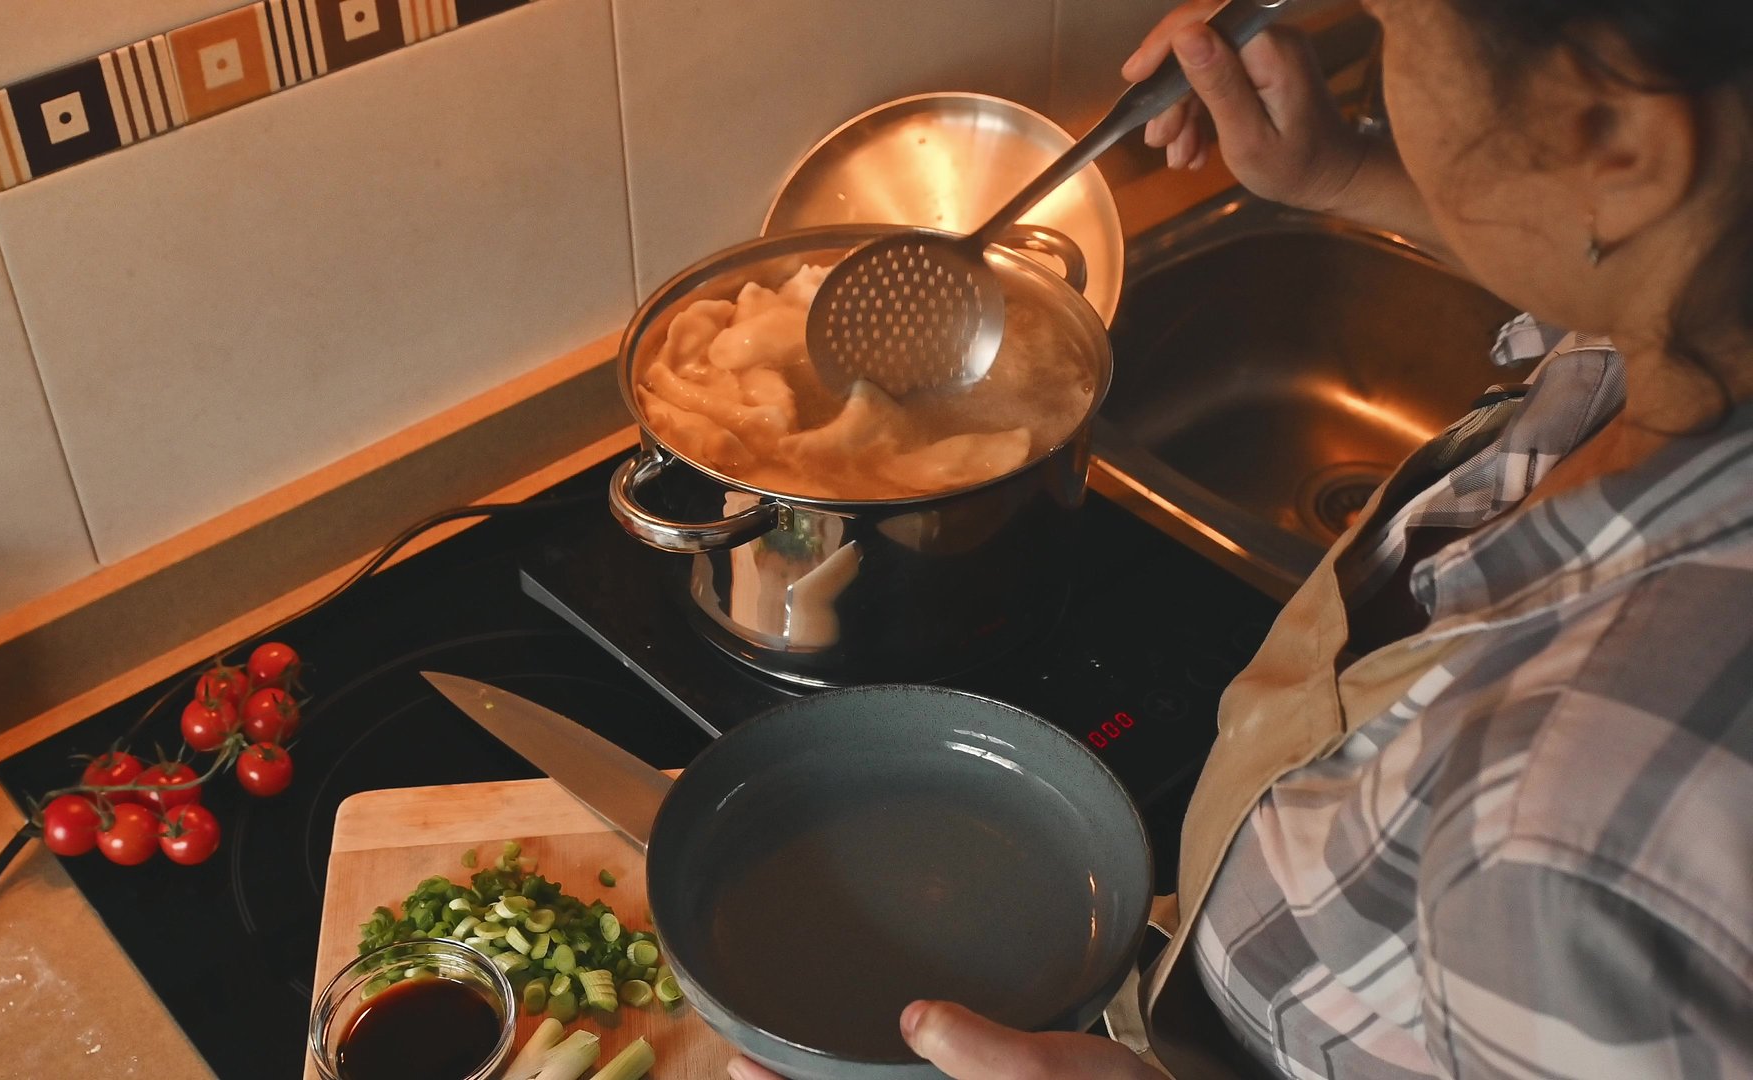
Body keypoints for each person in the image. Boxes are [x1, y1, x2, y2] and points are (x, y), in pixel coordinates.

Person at [730, 0, 1753, 1076]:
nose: (1363, 35)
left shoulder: (1574, 829)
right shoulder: (1687, 341)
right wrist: (1352, 174)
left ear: (1621, 147)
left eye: (1399, 29)